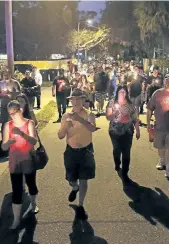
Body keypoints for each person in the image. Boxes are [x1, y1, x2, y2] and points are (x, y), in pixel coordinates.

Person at [57, 88, 97, 220]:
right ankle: (74, 187)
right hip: (71, 151)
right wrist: (65, 127)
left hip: (86, 150)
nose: (76, 101)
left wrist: (79, 119)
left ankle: (80, 205)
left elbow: (92, 128)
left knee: (84, 179)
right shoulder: (66, 116)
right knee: (71, 178)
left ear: (83, 100)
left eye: (78, 99)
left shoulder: (89, 114)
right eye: (73, 99)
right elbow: (60, 136)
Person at [2, 101, 39, 229]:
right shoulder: (8, 125)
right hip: (14, 160)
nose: (12, 115)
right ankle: (16, 219)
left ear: (20, 110)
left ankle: (33, 203)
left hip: (28, 158)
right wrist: (8, 143)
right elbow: (3, 145)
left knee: (31, 184)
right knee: (16, 189)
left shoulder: (30, 123)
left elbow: (33, 141)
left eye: (14, 112)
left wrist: (22, 134)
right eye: (10, 113)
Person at [106, 85, 140, 182]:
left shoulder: (130, 104)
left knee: (126, 151)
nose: (122, 93)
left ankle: (125, 172)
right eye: (120, 92)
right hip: (115, 130)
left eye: (124, 92)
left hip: (128, 130)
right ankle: (117, 163)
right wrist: (114, 114)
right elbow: (108, 117)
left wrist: (137, 130)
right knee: (117, 149)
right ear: (117, 93)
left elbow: (135, 118)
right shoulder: (112, 103)